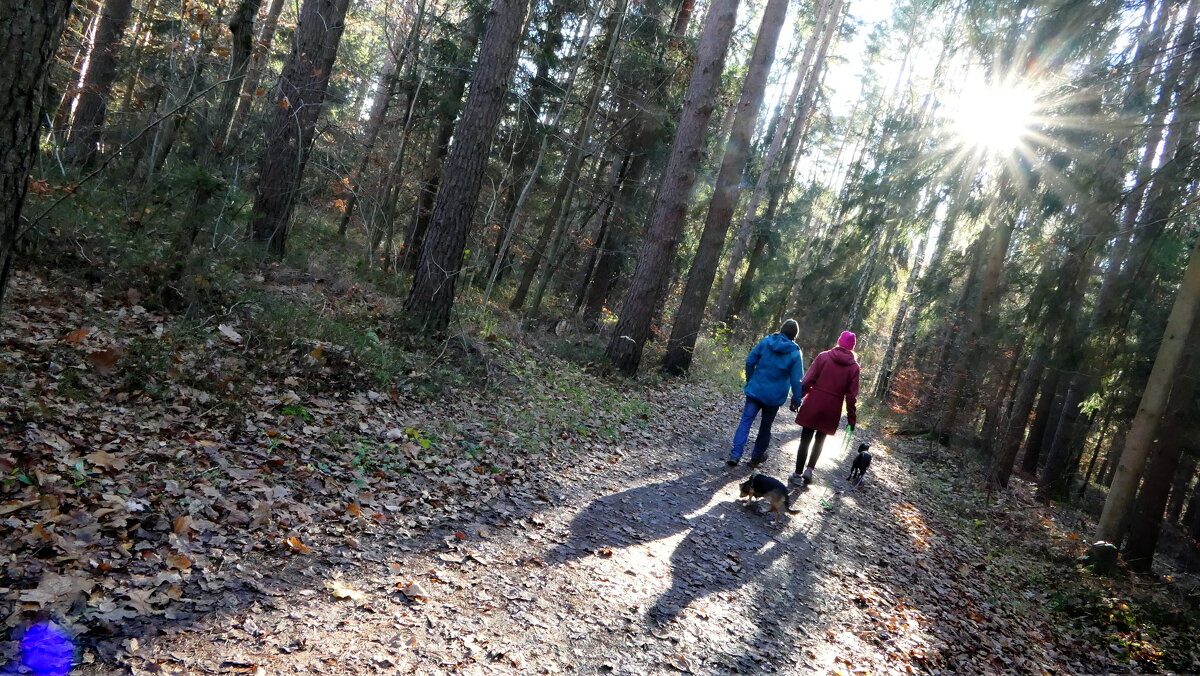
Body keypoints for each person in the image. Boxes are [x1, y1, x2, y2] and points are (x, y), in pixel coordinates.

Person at [727, 319, 805, 468]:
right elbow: (797, 380)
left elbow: (750, 361)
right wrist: (797, 399)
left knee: (745, 421)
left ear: (782, 329)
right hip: (774, 397)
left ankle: (735, 455)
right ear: (795, 335)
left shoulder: (767, 341)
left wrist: (751, 380)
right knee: (765, 427)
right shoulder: (795, 353)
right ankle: (756, 458)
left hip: (755, 390)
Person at [792, 330, 861, 484]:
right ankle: (809, 470)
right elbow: (851, 397)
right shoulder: (854, 367)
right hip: (832, 407)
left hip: (814, 402)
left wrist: (798, 399)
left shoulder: (824, 356)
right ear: (852, 347)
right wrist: (851, 419)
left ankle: (797, 474)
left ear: (839, 341)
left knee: (805, 439)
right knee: (820, 440)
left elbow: (808, 380)